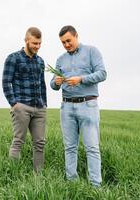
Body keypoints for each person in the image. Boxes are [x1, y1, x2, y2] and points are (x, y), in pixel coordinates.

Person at [50, 25, 107, 186]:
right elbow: (53, 85)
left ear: (76, 36)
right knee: (69, 147)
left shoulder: (91, 51)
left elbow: (102, 73)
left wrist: (81, 79)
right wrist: (56, 81)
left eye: (68, 40)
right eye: (63, 42)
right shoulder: (60, 59)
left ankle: (96, 186)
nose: (66, 44)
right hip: (66, 107)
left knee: (92, 148)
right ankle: (71, 183)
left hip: (88, 105)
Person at [2, 27, 47, 173]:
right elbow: (6, 82)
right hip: (22, 106)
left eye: (39, 43)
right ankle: (13, 176)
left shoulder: (40, 61)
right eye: (34, 43)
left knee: (40, 143)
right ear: (26, 40)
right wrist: (14, 104)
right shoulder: (13, 58)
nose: (37, 46)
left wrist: (44, 104)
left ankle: (38, 177)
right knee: (18, 142)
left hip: (39, 108)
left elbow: (42, 84)